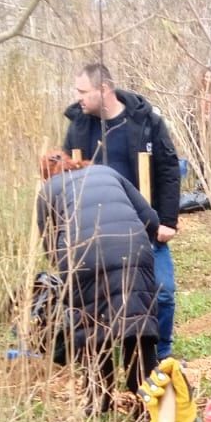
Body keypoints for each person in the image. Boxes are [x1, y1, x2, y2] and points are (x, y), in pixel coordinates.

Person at [63, 62, 182, 363]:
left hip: (143, 224)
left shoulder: (144, 121)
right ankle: (103, 355)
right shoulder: (79, 125)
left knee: (162, 292)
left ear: (104, 89)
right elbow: (64, 175)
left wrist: (167, 220)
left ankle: (162, 352)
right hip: (95, 230)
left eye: (83, 91)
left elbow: (168, 169)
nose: (78, 98)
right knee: (98, 297)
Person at [32, 154, 159, 414]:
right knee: (137, 325)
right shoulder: (107, 171)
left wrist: (69, 269)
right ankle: (148, 400)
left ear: (47, 175)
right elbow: (151, 220)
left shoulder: (48, 190)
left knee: (92, 330)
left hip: (82, 256)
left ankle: (98, 399)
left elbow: (50, 245)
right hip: (131, 249)